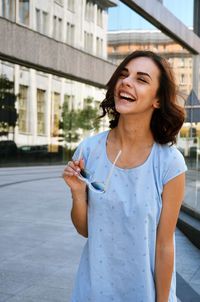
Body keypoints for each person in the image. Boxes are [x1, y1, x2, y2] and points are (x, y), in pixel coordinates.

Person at [63, 50, 187, 302]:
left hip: (144, 294)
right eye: (124, 74)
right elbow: (86, 230)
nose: (127, 82)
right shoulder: (89, 150)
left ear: (158, 100)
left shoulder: (169, 163)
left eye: (141, 79)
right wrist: (77, 194)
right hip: (92, 292)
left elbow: (164, 246)